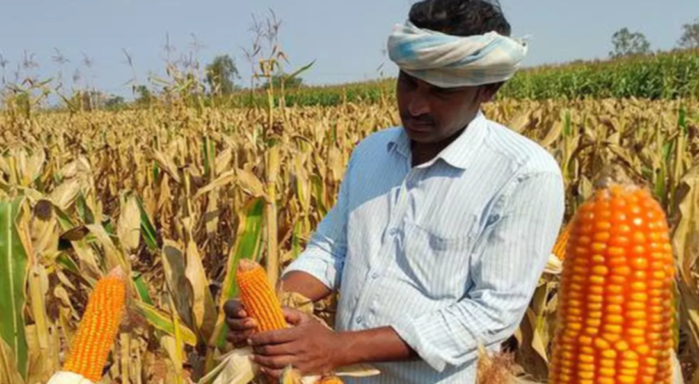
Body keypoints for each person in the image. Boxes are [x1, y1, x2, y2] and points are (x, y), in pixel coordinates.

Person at [223, 0, 565, 382]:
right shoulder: (371, 153)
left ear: (488, 90)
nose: (415, 105)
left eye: (440, 92)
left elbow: (490, 314)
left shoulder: (524, 175)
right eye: (408, 82)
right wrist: (268, 304)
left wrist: (340, 347)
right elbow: (333, 250)